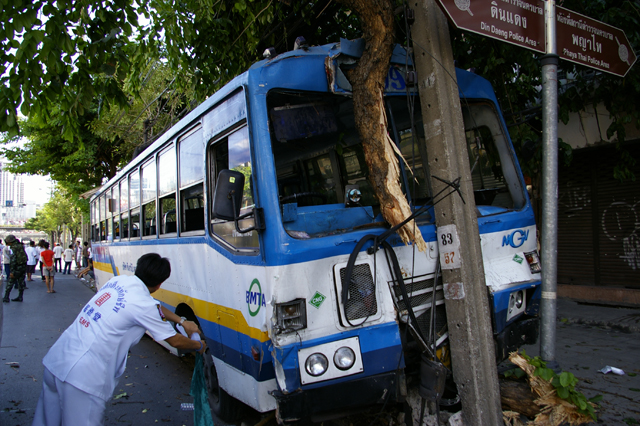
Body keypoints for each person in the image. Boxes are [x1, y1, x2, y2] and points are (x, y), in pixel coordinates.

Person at [31, 253, 205, 426]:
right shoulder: (143, 305)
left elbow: (154, 305)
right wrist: (198, 345)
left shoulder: (119, 281)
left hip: (57, 361)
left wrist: (182, 321)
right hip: (82, 378)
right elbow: (175, 341)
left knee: (46, 422)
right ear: (160, 284)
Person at [2, 235, 28, 303]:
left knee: (10, 282)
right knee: (21, 282)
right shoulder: (20, 246)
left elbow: (13, 260)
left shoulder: (13, 248)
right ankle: (20, 296)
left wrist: (12, 271)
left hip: (17, 267)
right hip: (23, 266)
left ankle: (6, 297)